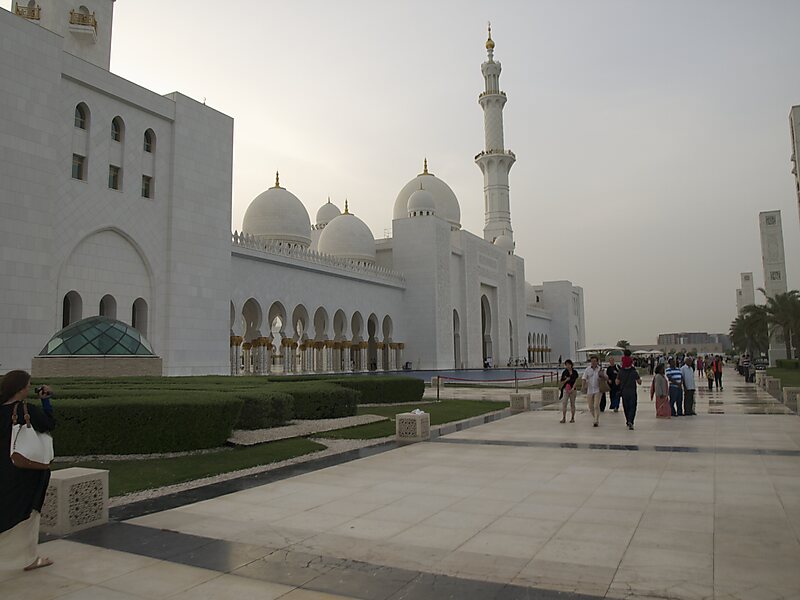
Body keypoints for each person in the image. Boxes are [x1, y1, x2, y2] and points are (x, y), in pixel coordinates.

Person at [0, 371, 55, 572]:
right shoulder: (25, 410)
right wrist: (46, 401)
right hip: (23, 470)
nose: (28, 389)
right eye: (28, 385)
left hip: (3, 470)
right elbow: (49, 424)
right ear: (20, 389)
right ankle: (28, 558)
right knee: (26, 514)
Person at [617, 350, 642, 429]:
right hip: (632, 391)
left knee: (626, 406)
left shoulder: (621, 372)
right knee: (632, 406)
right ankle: (631, 420)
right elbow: (639, 382)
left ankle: (628, 420)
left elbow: (617, 382)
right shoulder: (634, 371)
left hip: (624, 392)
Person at [582, 355, 608, 427]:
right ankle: (595, 417)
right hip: (590, 390)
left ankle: (596, 420)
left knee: (596, 405)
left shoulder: (600, 369)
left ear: (597, 362)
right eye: (592, 361)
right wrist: (583, 387)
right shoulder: (587, 369)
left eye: (595, 361)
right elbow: (584, 378)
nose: (593, 362)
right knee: (591, 407)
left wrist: (603, 376)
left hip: (598, 390)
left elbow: (606, 378)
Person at [559, 359, 579, 423]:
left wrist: (573, 388)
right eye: (566, 365)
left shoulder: (575, 372)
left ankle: (572, 418)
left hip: (573, 389)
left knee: (572, 404)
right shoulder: (564, 372)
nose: (568, 366)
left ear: (571, 365)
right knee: (564, 403)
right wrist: (566, 380)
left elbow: (576, 381)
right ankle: (564, 417)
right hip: (566, 389)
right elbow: (562, 381)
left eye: (569, 364)